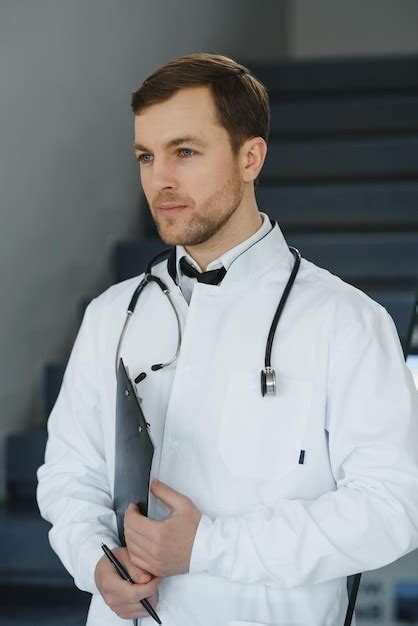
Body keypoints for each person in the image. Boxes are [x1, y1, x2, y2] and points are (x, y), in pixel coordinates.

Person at [37, 53, 418, 626]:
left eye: (185, 152)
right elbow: (69, 477)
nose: (160, 178)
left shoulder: (348, 321)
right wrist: (96, 566)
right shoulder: (110, 314)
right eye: (146, 156)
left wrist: (209, 546)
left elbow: (394, 507)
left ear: (250, 157)